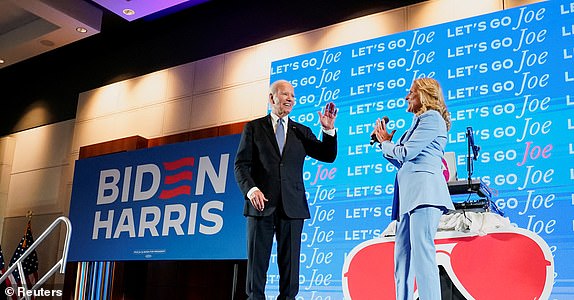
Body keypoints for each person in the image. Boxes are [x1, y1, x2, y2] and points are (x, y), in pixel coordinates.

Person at [234, 79, 338, 300]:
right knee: (256, 269)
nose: (290, 98)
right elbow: (241, 165)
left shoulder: (301, 131)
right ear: (272, 98)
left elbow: (327, 156)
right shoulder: (254, 128)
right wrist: (251, 190)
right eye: (284, 94)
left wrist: (328, 131)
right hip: (260, 207)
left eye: (292, 95)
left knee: (290, 270)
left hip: (292, 208)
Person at [371, 77, 455, 300]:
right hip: (409, 199)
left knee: (422, 255)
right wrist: (386, 143)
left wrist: (386, 143)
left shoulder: (432, 118)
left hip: (425, 196)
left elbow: (406, 153)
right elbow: (404, 161)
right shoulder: (417, 124)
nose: (406, 96)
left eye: (411, 92)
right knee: (402, 259)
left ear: (424, 95)